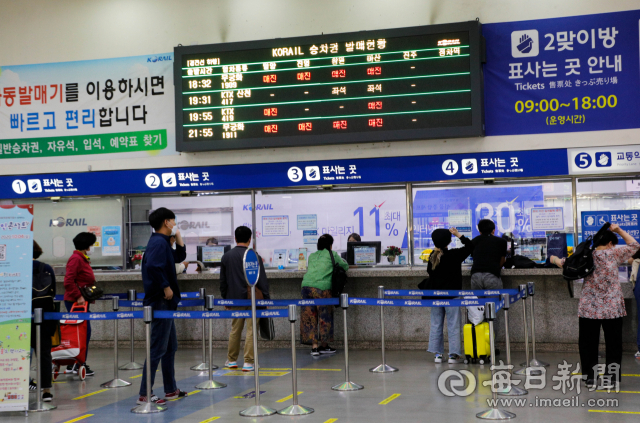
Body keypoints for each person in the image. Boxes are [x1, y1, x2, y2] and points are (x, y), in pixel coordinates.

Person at [553, 224, 639, 388]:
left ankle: (590, 377)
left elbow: (563, 263)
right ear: (609, 243)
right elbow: (635, 246)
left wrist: (554, 259)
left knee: (587, 344)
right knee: (613, 344)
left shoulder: (586, 254)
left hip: (589, 308)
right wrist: (619, 230)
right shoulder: (614, 253)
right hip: (612, 308)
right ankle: (611, 379)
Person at [137, 207, 188, 405]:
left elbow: (178, 258)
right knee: (157, 348)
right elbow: (153, 266)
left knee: (169, 347)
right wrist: (166, 286)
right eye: (173, 221)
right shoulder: (158, 242)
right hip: (160, 301)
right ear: (166, 222)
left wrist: (178, 238)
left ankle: (170, 389)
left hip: (165, 302)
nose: (175, 224)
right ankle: (144, 393)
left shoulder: (162, 242)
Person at [220, 226, 270, 371]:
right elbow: (262, 280)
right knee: (251, 330)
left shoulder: (226, 256)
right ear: (250, 239)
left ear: (235, 238)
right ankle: (248, 362)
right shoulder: (254, 256)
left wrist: (225, 299)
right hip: (253, 298)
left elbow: (223, 282)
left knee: (235, 329)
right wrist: (266, 299)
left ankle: (232, 360)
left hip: (235, 299)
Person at [425, 228, 474, 364]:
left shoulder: (432, 256)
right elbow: (471, 246)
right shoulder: (454, 254)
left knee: (436, 323)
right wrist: (458, 234)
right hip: (452, 296)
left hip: (435, 296)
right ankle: (453, 355)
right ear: (449, 241)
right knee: (453, 324)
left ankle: (438, 354)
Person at [301, 234, 348, 356]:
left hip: (306, 287)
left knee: (309, 317)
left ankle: (314, 347)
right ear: (330, 245)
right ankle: (324, 345)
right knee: (325, 316)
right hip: (322, 289)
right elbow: (345, 266)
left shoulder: (312, 256)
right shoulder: (332, 254)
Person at [63, 232, 97, 376]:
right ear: (86, 245)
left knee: (78, 333)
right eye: (91, 243)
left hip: (81, 301)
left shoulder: (81, 258)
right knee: (82, 334)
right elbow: (68, 281)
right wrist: (78, 296)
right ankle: (79, 364)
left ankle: (72, 364)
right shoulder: (76, 259)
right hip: (75, 302)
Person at [470, 219, 507, 345]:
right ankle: (491, 346)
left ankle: (479, 346)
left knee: (477, 312)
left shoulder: (474, 241)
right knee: (492, 312)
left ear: (479, 231)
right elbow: (502, 261)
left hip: (475, 276)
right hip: (492, 276)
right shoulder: (501, 241)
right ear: (493, 230)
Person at [31, 241, 56, 402]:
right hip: (45, 316)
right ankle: (46, 390)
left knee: (20, 353)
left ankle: (20, 384)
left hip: (21, 317)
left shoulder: (14, 269)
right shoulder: (46, 268)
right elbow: (53, 293)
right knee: (44, 354)